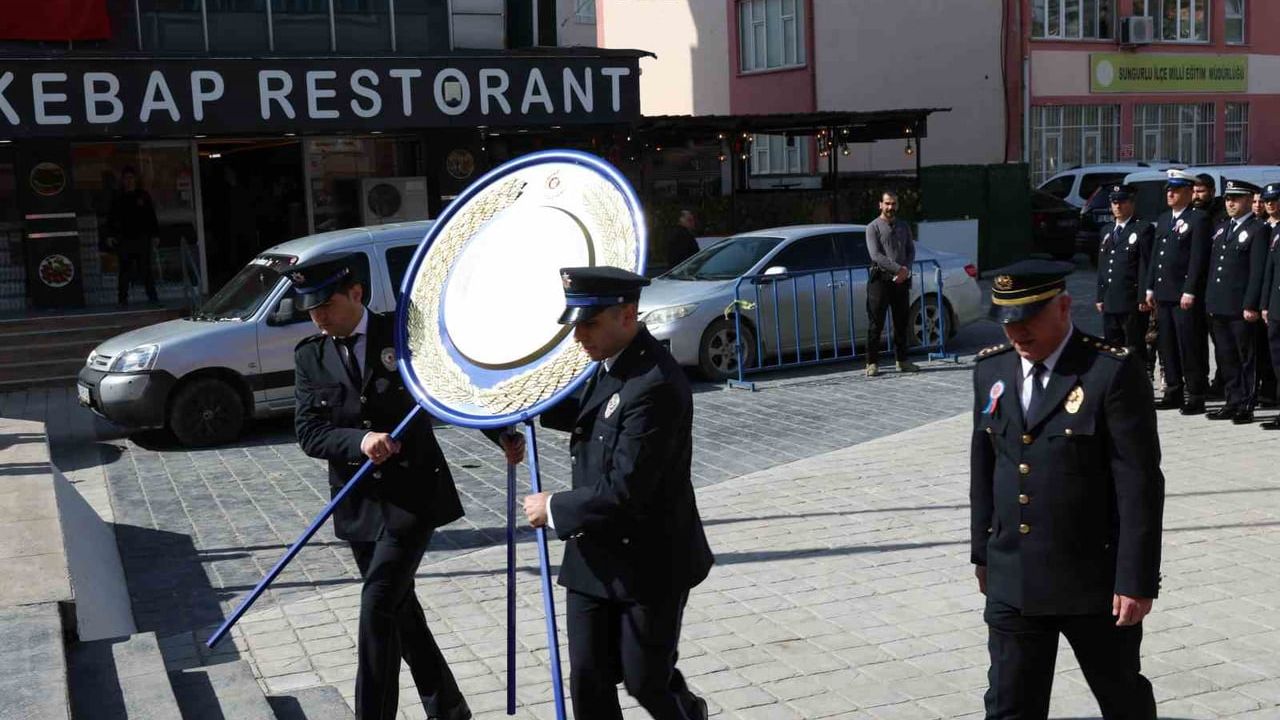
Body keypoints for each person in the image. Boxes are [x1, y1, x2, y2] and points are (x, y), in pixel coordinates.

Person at [512, 266, 714, 720]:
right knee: (588, 680)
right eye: (576, 324)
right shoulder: (610, 363)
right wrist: (516, 405)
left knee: (646, 680)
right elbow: (587, 414)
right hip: (593, 557)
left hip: (650, 562)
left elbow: (626, 490)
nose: (578, 336)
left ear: (627, 315)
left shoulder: (655, 383)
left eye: (589, 324)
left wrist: (553, 506)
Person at [971, 259, 1164, 720]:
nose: (1016, 333)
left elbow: (1139, 484)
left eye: (1027, 319)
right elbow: (984, 468)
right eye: (1006, 321)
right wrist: (983, 552)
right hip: (1013, 577)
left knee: (1122, 699)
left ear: (1063, 306)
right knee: (1009, 705)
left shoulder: (1108, 372)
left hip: (1093, 583)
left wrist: (1135, 579)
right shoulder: (991, 370)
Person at [291, 253, 472, 720]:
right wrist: (360, 440)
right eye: (310, 310)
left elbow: (449, 387)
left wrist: (502, 434)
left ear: (356, 294)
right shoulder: (310, 356)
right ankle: (447, 707)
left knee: (377, 606)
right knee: (399, 607)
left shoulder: (401, 332)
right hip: (359, 503)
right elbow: (310, 433)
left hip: (413, 495)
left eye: (326, 304)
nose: (319, 316)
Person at [1145, 169, 1212, 415]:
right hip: (1163, 292)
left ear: (1187, 192)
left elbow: (1197, 258)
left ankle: (1195, 393)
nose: (1170, 194)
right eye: (1168, 191)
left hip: (1184, 294)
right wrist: (1150, 287)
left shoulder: (1198, 219)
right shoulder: (1164, 219)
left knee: (1189, 344)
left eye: (1175, 190)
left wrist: (1190, 290)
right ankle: (1173, 390)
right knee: (1167, 344)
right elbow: (1156, 256)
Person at [1205, 180, 1269, 424]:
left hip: (1241, 306)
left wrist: (1251, 304)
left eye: (1236, 198)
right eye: (1228, 198)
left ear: (1247, 200)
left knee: (1246, 357)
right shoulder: (1221, 228)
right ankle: (1232, 400)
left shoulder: (1257, 229)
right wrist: (1210, 300)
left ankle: (1246, 403)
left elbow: (1257, 271)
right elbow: (1213, 268)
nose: (1230, 203)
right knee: (1225, 356)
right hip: (1219, 304)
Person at [1095, 184, 1154, 363]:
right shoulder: (1107, 231)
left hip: (1130, 299)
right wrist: (1100, 295)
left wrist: (1143, 295)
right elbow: (1103, 266)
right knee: (1112, 346)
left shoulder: (1142, 229)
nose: (1117, 207)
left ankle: (1139, 383)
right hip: (1111, 298)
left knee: (1134, 345)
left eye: (1122, 202)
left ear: (1131, 203)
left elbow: (1145, 264)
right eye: (1114, 202)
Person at [864, 191, 919, 376]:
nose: (890, 207)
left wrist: (906, 270)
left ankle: (902, 360)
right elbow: (876, 255)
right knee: (876, 324)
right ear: (880, 204)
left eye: (893, 203)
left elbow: (911, 251)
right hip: (880, 280)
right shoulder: (873, 227)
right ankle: (872, 363)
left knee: (901, 322)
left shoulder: (903, 226)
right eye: (887, 203)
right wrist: (898, 269)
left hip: (901, 281)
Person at [105, 166, 160, 306]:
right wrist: (110, 235)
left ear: (135, 180)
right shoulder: (118, 197)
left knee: (145, 269)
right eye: (126, 178)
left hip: (142, 237)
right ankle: (122, 299)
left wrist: (155, 235)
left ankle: (153, 297)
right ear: (122, 180)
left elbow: (151, 216)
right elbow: (111, 217)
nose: (128, 181)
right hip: (124, 238)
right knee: (124, 270)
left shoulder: (143, 195)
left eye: (131, 178)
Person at [1260, 182, 1280, 429]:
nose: (1271, 204)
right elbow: (1269, 272)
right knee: (1277, 361)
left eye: (1276, 199)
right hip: (1275, 306)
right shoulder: (1272, 232)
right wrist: (1264, 304)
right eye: (1268, 200)